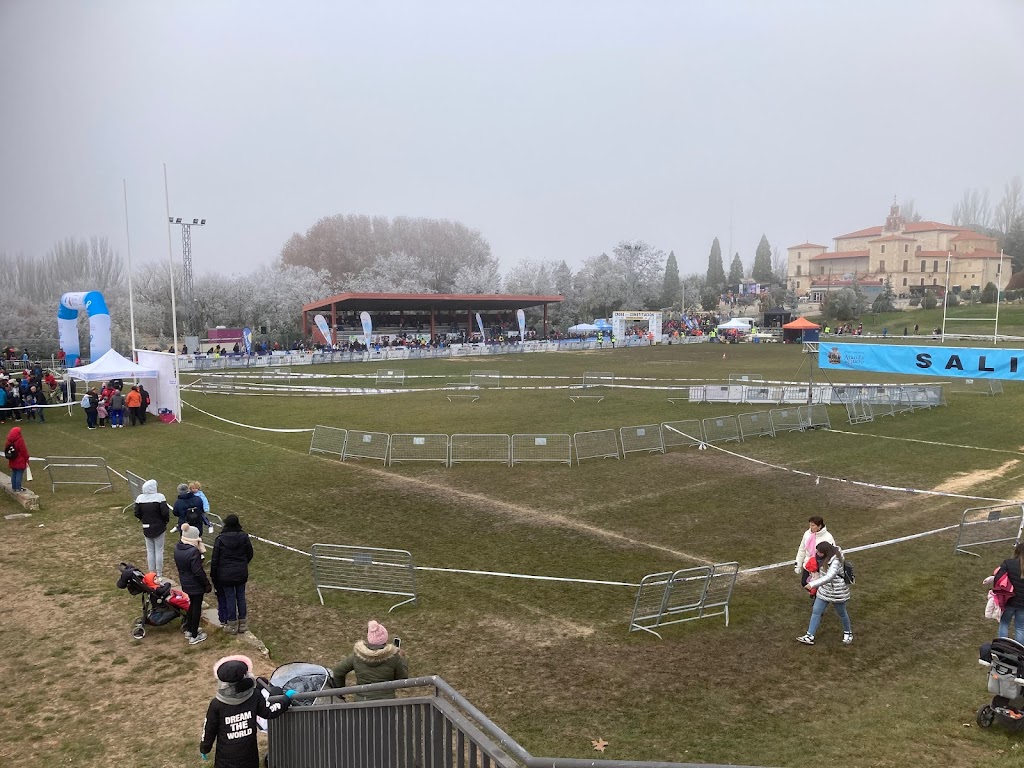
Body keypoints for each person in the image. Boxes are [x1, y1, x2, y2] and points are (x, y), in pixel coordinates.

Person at [200, 655, 293, 767]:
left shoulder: (216, 704)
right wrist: (285, 699)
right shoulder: (254, 696)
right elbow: (269, 711)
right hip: (249, 756)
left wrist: (205, 747)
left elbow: (209, 728)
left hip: (225, 758)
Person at [331, 620, 408, 700]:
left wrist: (339, 694)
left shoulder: (357, 655)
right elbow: (402, 679)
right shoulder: (394, 657)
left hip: (362, 703)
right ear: (385, 639)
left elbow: (337, 672)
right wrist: (402, 659)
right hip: (386, 704)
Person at [797, 542, 853, 645]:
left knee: (842, 613)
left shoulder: (836, 561)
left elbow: (829, 577)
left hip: (837, 591)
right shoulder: (824, 557)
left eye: (819, 552)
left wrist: (812, 584)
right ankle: (810, 635)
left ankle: (848, 632)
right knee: (816, 611)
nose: (817, 554)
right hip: (824, 590)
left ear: (826, 552)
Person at [211, 514, 254, 635]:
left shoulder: (220, 539)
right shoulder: (243, 537)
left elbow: (215, 559)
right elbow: (250, 553)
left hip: (225, 574)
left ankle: (232, 624)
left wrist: (214, 575)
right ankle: (243, 623)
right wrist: (243, 564)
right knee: (240, 597)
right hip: (240, 572)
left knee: (230, 598)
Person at [174, 524, 212, 645]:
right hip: (195, 583)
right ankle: (194, 635)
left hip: (185, 581)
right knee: (196, 608)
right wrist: (206, 584)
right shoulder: (193, 552)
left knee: (192, 605)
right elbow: (197, 571)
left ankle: (189, 628)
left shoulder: (178, 548)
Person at [133, 479, 171, 579]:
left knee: (150, 550)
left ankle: (151, 573)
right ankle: (159, 574)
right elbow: (165, 512)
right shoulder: (160, 497)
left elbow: (136, 513)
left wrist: (143, 519)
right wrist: (165, 521)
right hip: (159, 526)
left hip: (146, 526)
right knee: (159, 550)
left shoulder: (140, 498)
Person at [795, 516, 836, 592]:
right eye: (810, 525)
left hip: (820, 566)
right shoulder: (807, 534)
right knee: (804, 583)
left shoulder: (828, 537)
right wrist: (798, 564)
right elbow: (802, 549)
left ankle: (817, 601)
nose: (811, 527)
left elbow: (832, 554)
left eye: (813, 525)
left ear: (819, 526)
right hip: (809, 564)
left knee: (818, 586)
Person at [995, 543, 1024, 644]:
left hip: (1009, 601)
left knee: (1004, 623)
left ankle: (1002, 647)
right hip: (1023, 604)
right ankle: (1019, 653)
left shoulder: (1008, 563)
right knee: (1020, 627)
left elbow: (998, 579)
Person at [4, 426, 29, 492]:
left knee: (14, 472)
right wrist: (27, 458)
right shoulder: (20, 440)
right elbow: (23, 450)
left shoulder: (8, 440)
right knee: (19, 473)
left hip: (12, 459)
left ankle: (14, 487)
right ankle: (18, 488)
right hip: (20, 460)